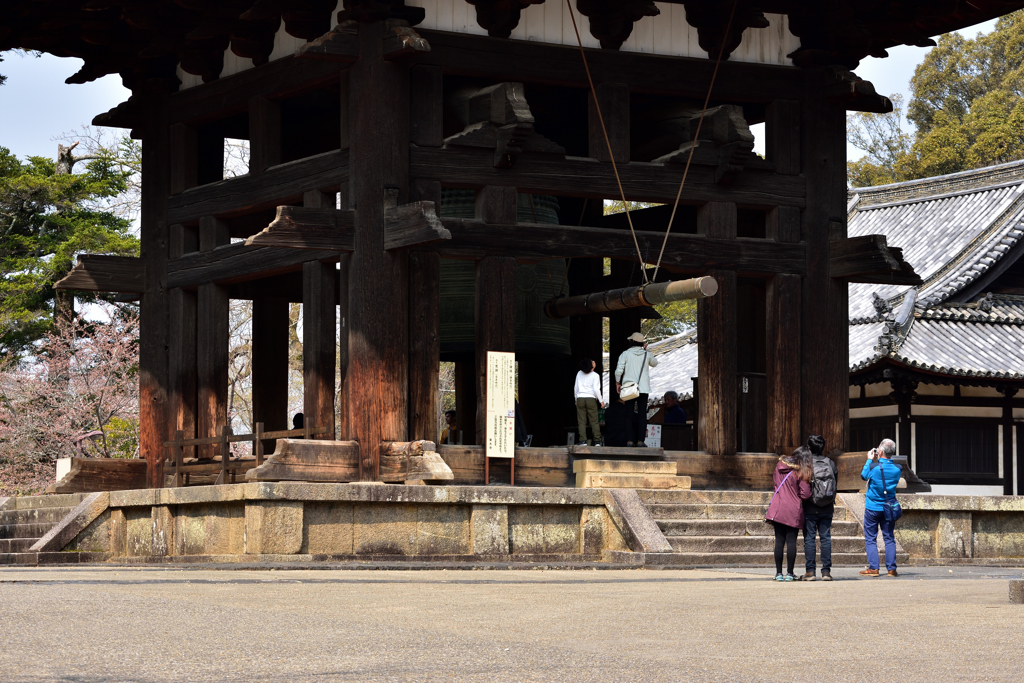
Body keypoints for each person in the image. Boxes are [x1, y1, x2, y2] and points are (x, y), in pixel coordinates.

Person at [764, 447, 813, 581]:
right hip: (793, 509)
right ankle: (790, 573)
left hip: (778, 507)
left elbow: (775, 485)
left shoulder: (778, 467)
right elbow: (805, 494)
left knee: (779, 541)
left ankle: (778, 573)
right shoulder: (800, 471)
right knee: (791, 541)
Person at [860, 438, 902, 577]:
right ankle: (891, 569)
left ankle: (874, 568)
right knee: (889, 537)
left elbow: (864, 476)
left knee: (871, 537)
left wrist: (869, 459)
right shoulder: (898, 469)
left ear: (881, 451)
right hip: (889, 507)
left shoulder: (873, 467)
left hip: (873, 507)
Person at [799, 434, 838, 582]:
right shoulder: (830, 463)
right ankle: (826, 572)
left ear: (809, 448)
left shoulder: (806, 464)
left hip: (810, 506)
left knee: (809, 539)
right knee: (825, 538)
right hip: (827, 506)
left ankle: (810, 571)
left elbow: (803, 487)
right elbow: (835, 485)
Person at [614, 332, 659, 447]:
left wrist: (618, 382)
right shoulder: (646, 355)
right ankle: (640, 441)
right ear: (642, 343)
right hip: (643, 389)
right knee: (642, 414)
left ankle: (629, 440)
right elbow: (655, 363)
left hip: (629, 389)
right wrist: (646, 351)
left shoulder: (625, 354)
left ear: (632, 342)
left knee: (628, 414)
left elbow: (619, 370)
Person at [573, 358, 604, 446]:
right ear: (591, 368)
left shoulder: (579, 373)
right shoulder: (595, 375)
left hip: (580, 398)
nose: (593, 361)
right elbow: (596, 389)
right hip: (591, 399)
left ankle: (583, 441)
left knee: (581, 421)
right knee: (594, 421)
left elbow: (576, 388)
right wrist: (601, 400)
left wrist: (576, 399)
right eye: (592, 362)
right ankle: (597, 441)